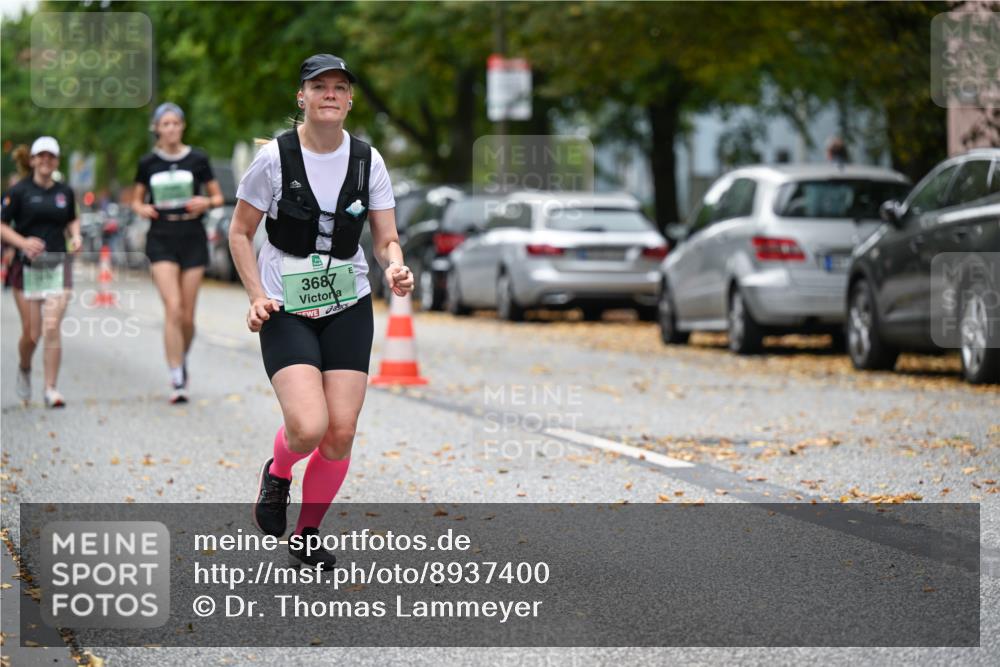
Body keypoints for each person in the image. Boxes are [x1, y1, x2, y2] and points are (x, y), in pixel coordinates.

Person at [229, 53, 413, 569]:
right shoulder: (273, 159)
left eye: (340, 87)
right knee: (308, 427)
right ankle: (279, 473)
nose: (330, 94)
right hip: (285, 304)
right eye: (320, 86)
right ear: (302, 97)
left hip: (347, 302)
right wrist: (254, 296)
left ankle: (307, 532)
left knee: (341, 432)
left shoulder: (367, 161)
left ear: (350, 100)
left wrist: (395, 266)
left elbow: (386, 239)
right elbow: (240, 233)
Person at [132, 102, 223, 404]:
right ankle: (176, 377)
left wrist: (205, 203)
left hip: (192, 235)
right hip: (161, 236)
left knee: (187, 315)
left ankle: (180, 358)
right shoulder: (148, 163)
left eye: (175, 123)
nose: (170, 129)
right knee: (172, 307)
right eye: (165, 124)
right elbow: (136, 200)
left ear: (182, 126)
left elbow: (218, 196)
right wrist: (142, 208)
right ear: (156, 128)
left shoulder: (198, 159)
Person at [0, 137, 82, 407]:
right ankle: (25, 367)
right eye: (41, 156)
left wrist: (77, 236)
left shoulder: (65, 192)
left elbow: (72, 218)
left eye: (51, 156)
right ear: (33, 160)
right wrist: (23, 242)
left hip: (58, 264)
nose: (46, 160)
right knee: (32, 333)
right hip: (26, 268)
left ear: (57, 161)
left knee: (51, 327)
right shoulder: (19, 192)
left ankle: (51, 389)